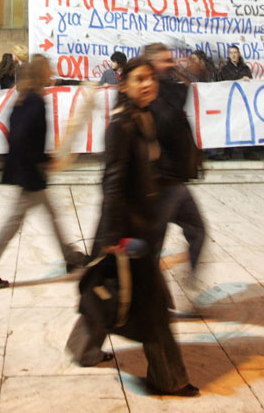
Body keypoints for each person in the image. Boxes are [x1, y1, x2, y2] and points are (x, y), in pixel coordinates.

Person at [67, 57, 199, 397]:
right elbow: (112, 182)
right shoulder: (122, 126)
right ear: (124, 85)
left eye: (151, 78)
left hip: (137, 226)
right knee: (151, 308)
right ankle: (168, 378)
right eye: (139, 79)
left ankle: (83, 348)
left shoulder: (145, 117)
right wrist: (114, 237)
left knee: (111, 292)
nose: (148, 84)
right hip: (126, 232)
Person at [0, 55, 86, 288]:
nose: (51, 73)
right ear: (39, 73)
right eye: (48, 69)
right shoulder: (34, 100)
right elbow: (23, 137)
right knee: (13, 223)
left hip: (28, 169)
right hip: (30, 172)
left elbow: (17, 134)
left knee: (50, 214)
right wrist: (41, 160)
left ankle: (71, 257)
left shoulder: (24, 97)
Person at [141, 44, 206, 274]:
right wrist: (187, 75)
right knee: (154, 244)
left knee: (197, 231)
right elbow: (168, 120)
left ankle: (188, 290)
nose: (171, 64)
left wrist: (188, 74)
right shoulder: (150, 96)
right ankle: (147, 298)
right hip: (161, 182)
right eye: (165, 60)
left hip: (174, 180)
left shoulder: (167, 87)